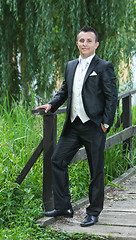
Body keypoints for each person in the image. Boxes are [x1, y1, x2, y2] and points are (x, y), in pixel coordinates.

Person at [36, 26, 118, 227]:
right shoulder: (71, 65)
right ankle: (64, 206)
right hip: (73, 126)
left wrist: (106, 123)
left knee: (96, 170)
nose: (85, 44)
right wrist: (51, 104)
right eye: (81, 40)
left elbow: (111, 97)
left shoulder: (103, 66)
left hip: (94, 126)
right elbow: (65, 90)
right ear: (77, 43)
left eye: (89, 41)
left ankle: (93, 212)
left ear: (96, 44)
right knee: (57, 161)